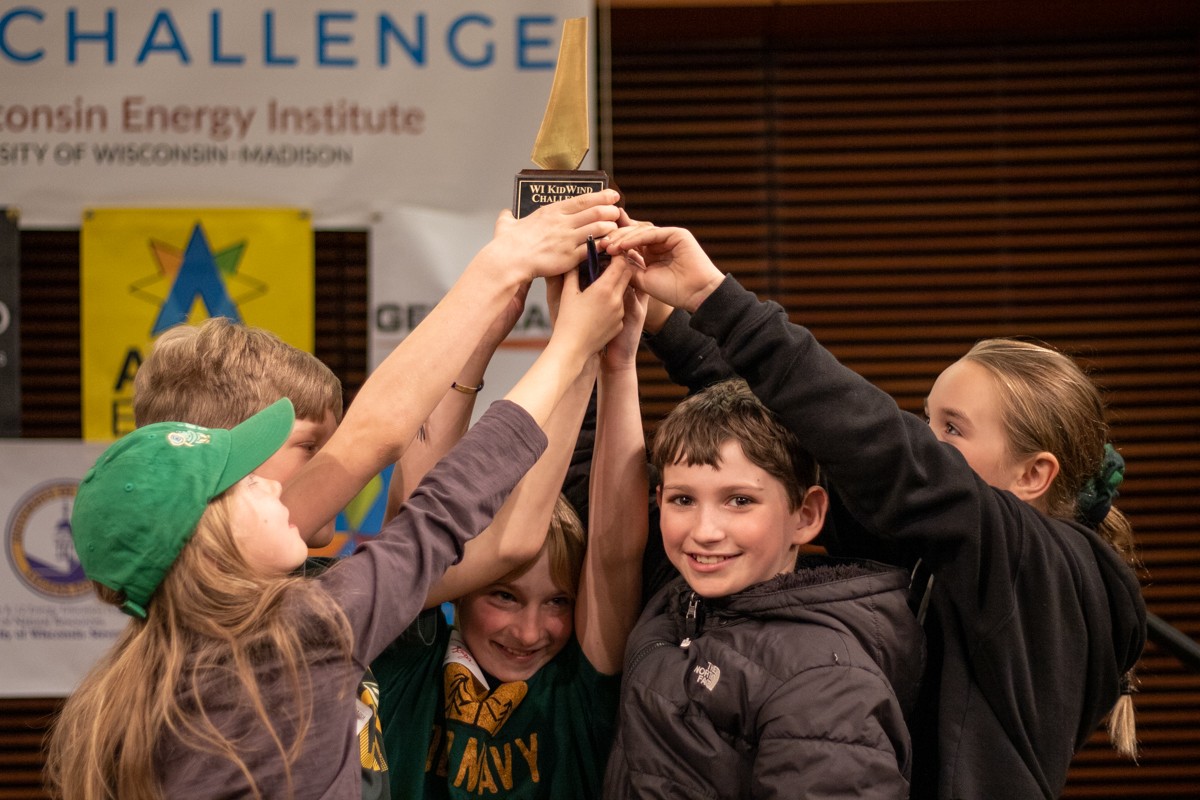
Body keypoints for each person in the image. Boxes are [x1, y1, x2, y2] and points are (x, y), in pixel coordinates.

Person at [42, 250, 632, 800]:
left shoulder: (164, 664)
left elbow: (484, 536)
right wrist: (567, 343)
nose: (336, 468)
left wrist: (489, 349)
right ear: (206, 519)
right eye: (306, 448)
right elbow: (431, 500)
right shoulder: (300, 631)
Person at [603, 222, 1148, 800]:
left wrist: (715, 298)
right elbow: (801, 439)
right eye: (927, 417)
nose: (926, 439)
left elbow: (884, 450)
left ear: (1033, 475)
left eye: (952, 430)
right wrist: (662, 315)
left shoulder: (1045, 572)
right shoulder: (933, 550)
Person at [370, 279, 650, 800]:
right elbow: (420, 522)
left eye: (558, 602)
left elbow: (616, 555)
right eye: (504, 595)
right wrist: (479, 342)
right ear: (462, 583)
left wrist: (615, 360)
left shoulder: (577, 691)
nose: (528, 632)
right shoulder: (409, 663)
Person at [601, 376, 924, 799]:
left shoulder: (826, 685)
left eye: (739, 500)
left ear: (806, 515)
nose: (705, 531)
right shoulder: (681, 596)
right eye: (683, 500)